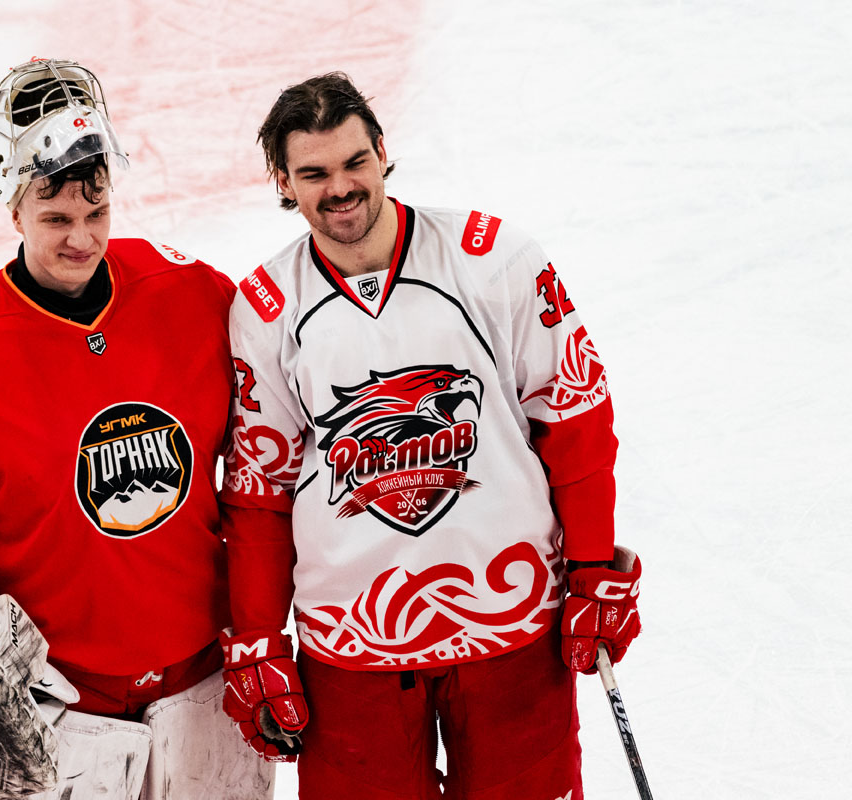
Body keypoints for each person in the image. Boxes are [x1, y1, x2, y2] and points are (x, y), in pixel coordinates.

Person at [218, 72, 643, 800]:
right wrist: (260, 637)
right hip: (350, 646)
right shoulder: (266, 307)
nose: (341, 188)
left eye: (355, 162)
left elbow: (574, 417)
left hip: (511, 624)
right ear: (282, 182)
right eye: (314, 174)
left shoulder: (496, 258)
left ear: (383, 152)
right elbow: (262, 487)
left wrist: (593, 564)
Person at [0, 58, 252, 800]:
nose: (82, 240)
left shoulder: (193, 296)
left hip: (199, 683)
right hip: (48, 704)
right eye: (56, 220)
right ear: (14, 212)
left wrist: (260, 625)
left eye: (96, 215)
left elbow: (270, 456)